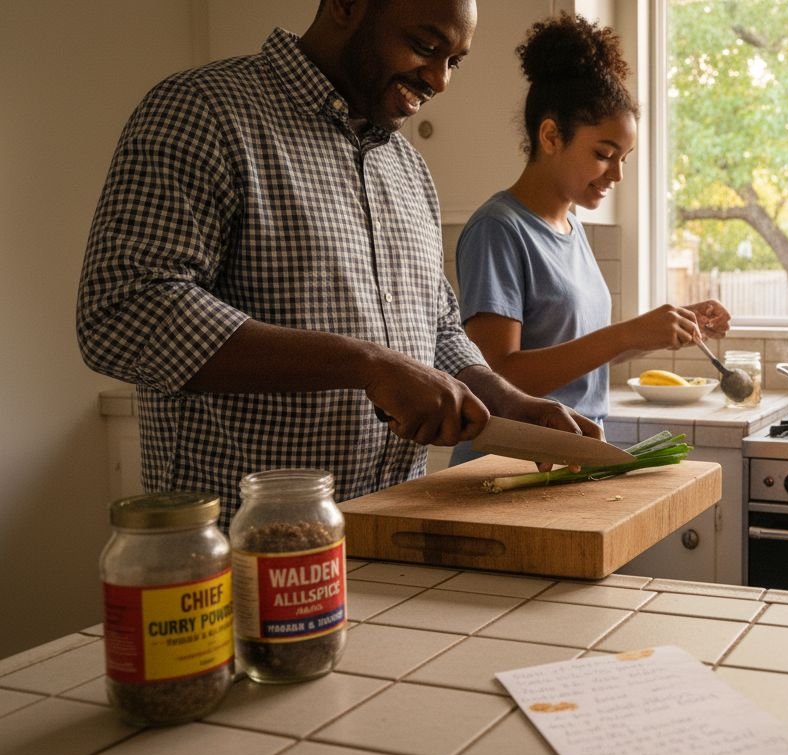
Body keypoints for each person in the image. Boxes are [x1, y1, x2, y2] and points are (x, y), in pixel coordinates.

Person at [76, 0, 598, 531]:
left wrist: (504, 398)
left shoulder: (406, 166)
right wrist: (368, 365)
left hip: (389, 531)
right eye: (425, 46)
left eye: (454, 61)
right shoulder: (202, 112)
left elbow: (436, 326)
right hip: (246, 549)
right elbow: (123, 311)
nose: (440, 81)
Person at [450, 12, 730, 465]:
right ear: (550, 135)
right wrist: (625, 335)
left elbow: (577, 356)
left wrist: (662, 329)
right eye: (604, 154)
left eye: (625, 158)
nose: (617, 174)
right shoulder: (499, 229)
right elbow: (495, 375)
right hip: (505, 468)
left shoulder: (571, 227)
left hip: (566, 461)